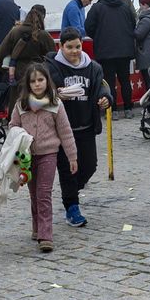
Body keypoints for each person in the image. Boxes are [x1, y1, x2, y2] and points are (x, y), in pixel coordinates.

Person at [7, 60, 79, 252]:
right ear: (28, 84)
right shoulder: (21, 105)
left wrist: (72, 157)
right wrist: (20, 136)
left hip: (49, 154)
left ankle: (46, 235)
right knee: (33, 193)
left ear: (47, 81)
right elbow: (13, 125)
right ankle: (37, 227)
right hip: (27, 157)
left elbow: (65, 131)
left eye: (41, 80)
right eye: (33, 81)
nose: (37, 84)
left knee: (44, 193)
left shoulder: (56, 104)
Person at [50, 28, 112, 227]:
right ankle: (72, 207)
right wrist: (56, 95)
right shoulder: (51, 67)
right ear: (61, 47)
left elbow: (101, 87)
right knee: (67, 170)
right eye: (69, 47)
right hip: (62, 128)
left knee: (90, 165)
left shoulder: (93, 67)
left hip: (86, 125)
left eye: (77, 46)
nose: (74, 51)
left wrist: (105, 99)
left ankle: (72, 190)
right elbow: (42, 90)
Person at [85, 0, 139, 116]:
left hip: (105, 51)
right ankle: (128, 109)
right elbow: (133, 24)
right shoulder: (125, 7)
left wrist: (98, 37)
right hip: (125, 51)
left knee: (109, 82)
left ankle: (113, 110)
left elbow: (88, 26)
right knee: (125, 80)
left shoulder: (96, 8)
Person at [0, 5, 57, 79]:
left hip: (17, 75)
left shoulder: (15, 32)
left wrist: (5, 71)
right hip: (39, 75)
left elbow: (1, 53)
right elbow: (53, 57)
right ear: (43, 18)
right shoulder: (44, 35)